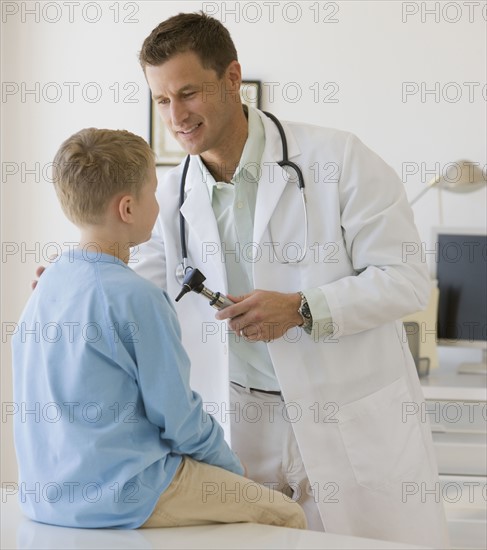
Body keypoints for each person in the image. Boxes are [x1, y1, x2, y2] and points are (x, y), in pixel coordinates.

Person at [131, 12, 450, 547]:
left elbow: (407, 279)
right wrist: (78, 274)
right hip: (236, 419)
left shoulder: (337, 159)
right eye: (161, 100)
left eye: (189, 93)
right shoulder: (170, 194)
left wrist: (303, 308)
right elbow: (137, 287)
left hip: (343, 412)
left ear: (233, 78)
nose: (176, 116)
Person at [12, 128, 306, 530]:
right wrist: (232, 470)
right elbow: (180, 420)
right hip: (126, 492)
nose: (160, 204)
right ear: (128, 208)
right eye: (153, 193)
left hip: (47, 495)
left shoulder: (46, 284)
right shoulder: (137, 297)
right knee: (286, 513)